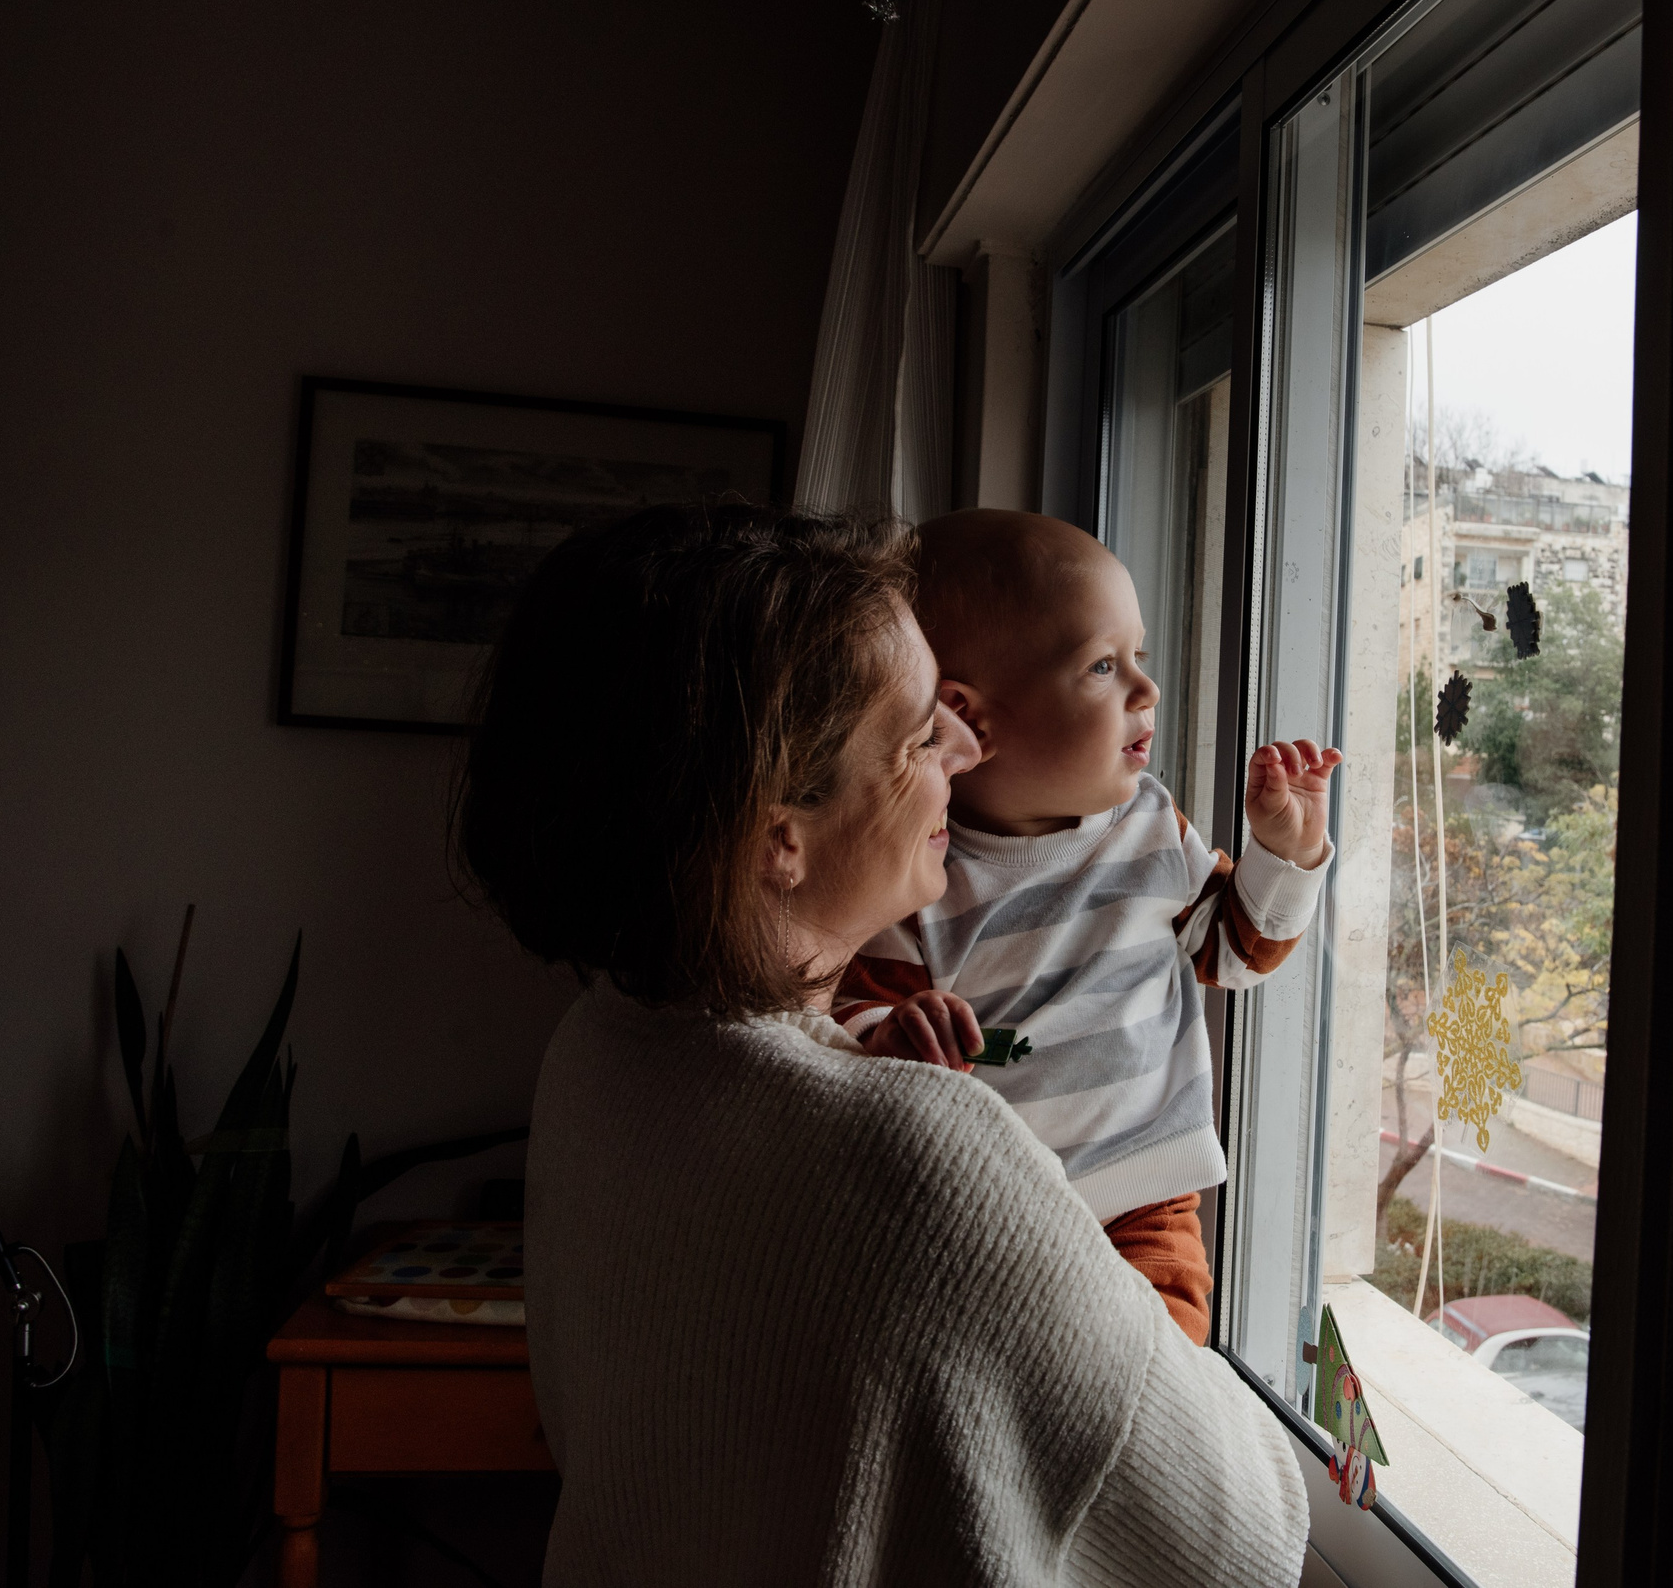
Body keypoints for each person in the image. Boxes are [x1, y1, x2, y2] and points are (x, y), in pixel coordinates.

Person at [457, 501, 1309, 1587]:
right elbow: (1239, 1543)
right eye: (918, 735)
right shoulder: (915, 1150)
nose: (964, 746)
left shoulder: (602, 1049)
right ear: (782, 835)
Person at [834, 509, 1343, 1347]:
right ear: (972, 717)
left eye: (1137, 657)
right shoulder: (920, 866)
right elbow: (851, 1020)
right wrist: (891, 1031)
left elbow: (1233, 951)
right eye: (1103, 666)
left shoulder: (1147, 822)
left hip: (1147, 1197)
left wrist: (1284, 854)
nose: (1145, 690)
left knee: (1163, 1381)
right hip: (989, 1211)